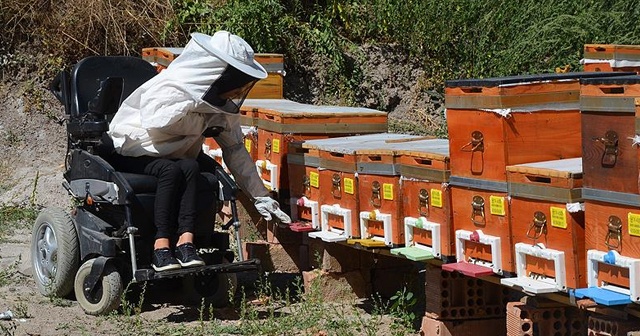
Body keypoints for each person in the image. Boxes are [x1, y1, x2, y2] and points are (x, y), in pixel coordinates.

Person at [107, 31, 291, 270]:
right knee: (169, 171)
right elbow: (158, 120)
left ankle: (186, 243)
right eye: (236, 82)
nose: (237, 91)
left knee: (192, 167)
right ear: (220, 75)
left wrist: (261, 197)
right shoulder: (172, 86)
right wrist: (202, 119)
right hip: (136, 152)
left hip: (178, 157)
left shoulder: (220, 105)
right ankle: (160, 247)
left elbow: (235, 149)